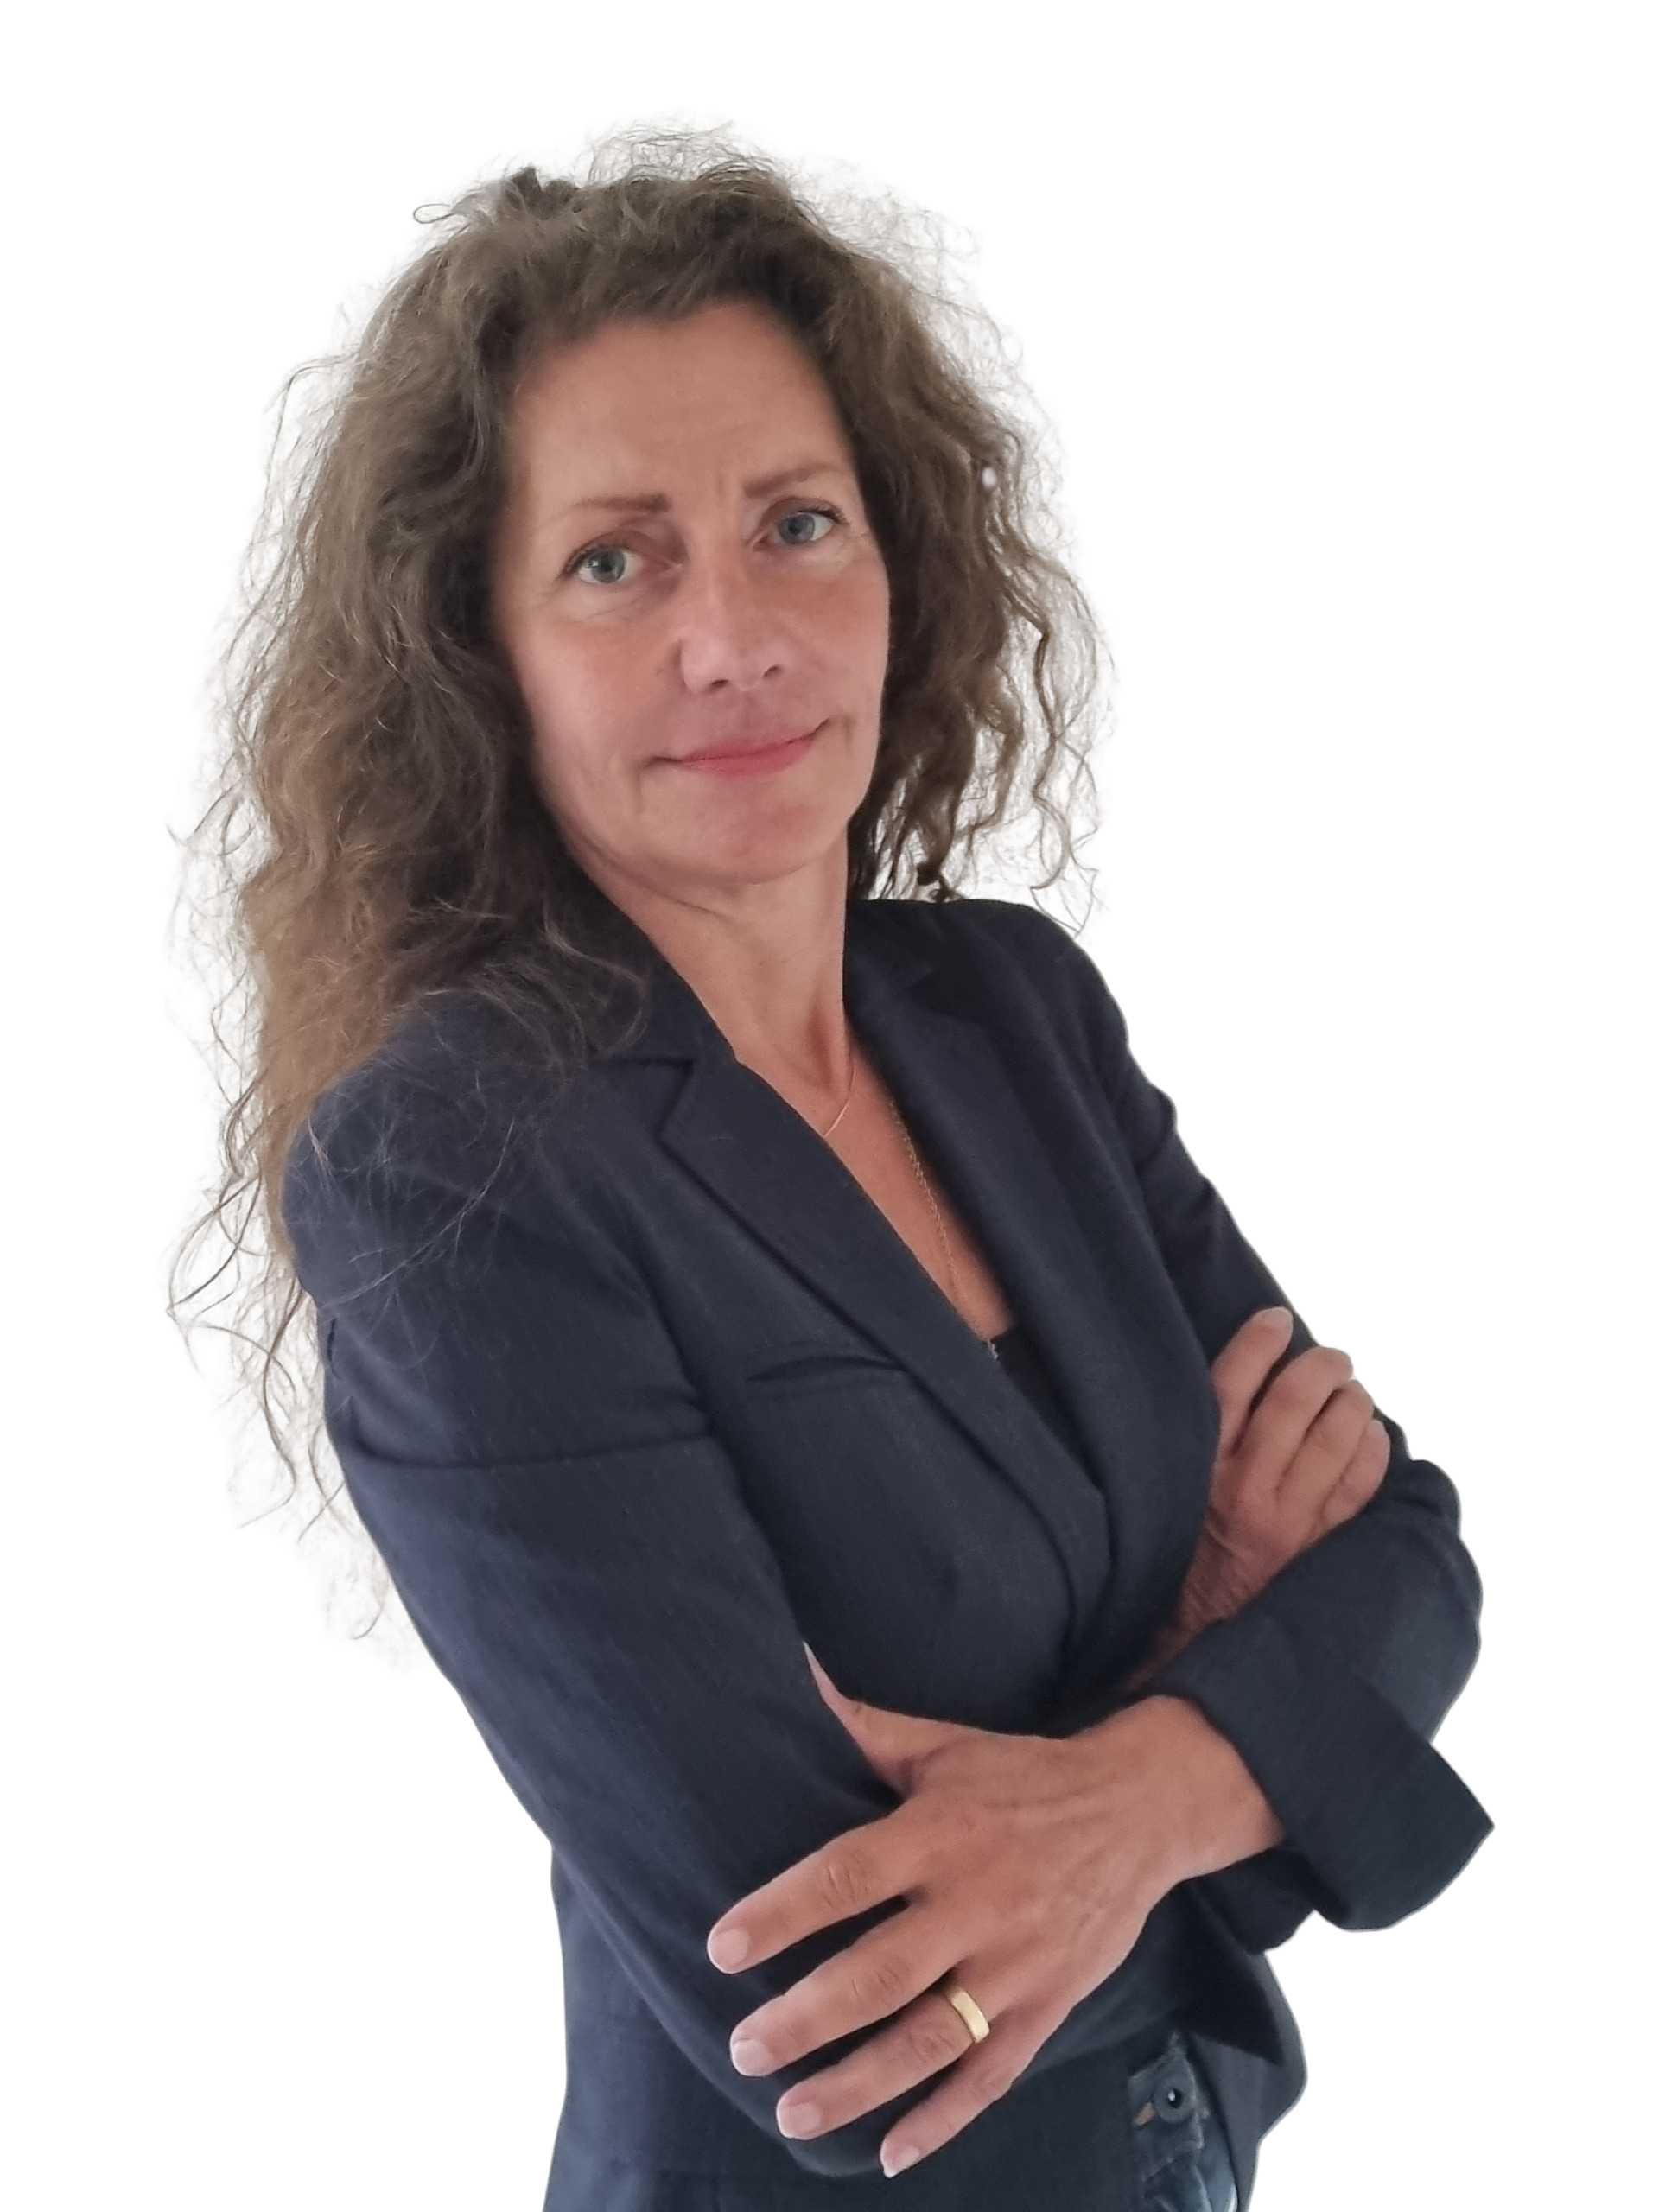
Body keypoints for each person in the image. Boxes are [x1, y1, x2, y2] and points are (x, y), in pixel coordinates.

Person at [243, 124, 1490, 2212]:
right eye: (616, 560)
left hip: (1187, 2143)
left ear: (895, 570)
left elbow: (1411, 1548)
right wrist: (1242, 1712)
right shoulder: (452, 1165)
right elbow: (817, 1995)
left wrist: (1127, 1799)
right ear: (486, 651)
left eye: (796, 524)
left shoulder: (1010, 1008)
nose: (733, 634)